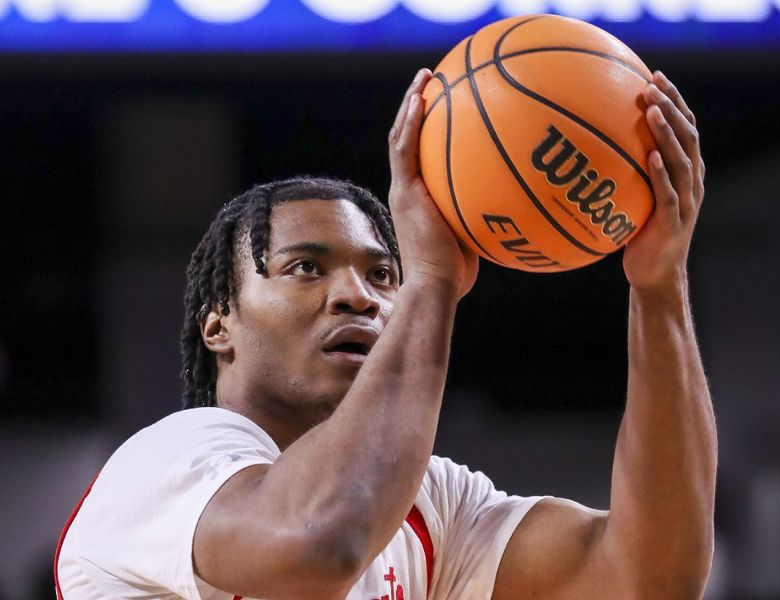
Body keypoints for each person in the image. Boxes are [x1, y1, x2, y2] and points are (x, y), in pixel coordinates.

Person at [55, 68, 716, 599]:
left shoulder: (427, 504)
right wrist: (431, 280)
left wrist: (658, 287)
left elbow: (649, 577)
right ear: (218, 324)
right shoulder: (172, 459)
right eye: (305, 268)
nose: (357, 294)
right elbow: (321, 545)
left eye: (382, 274)